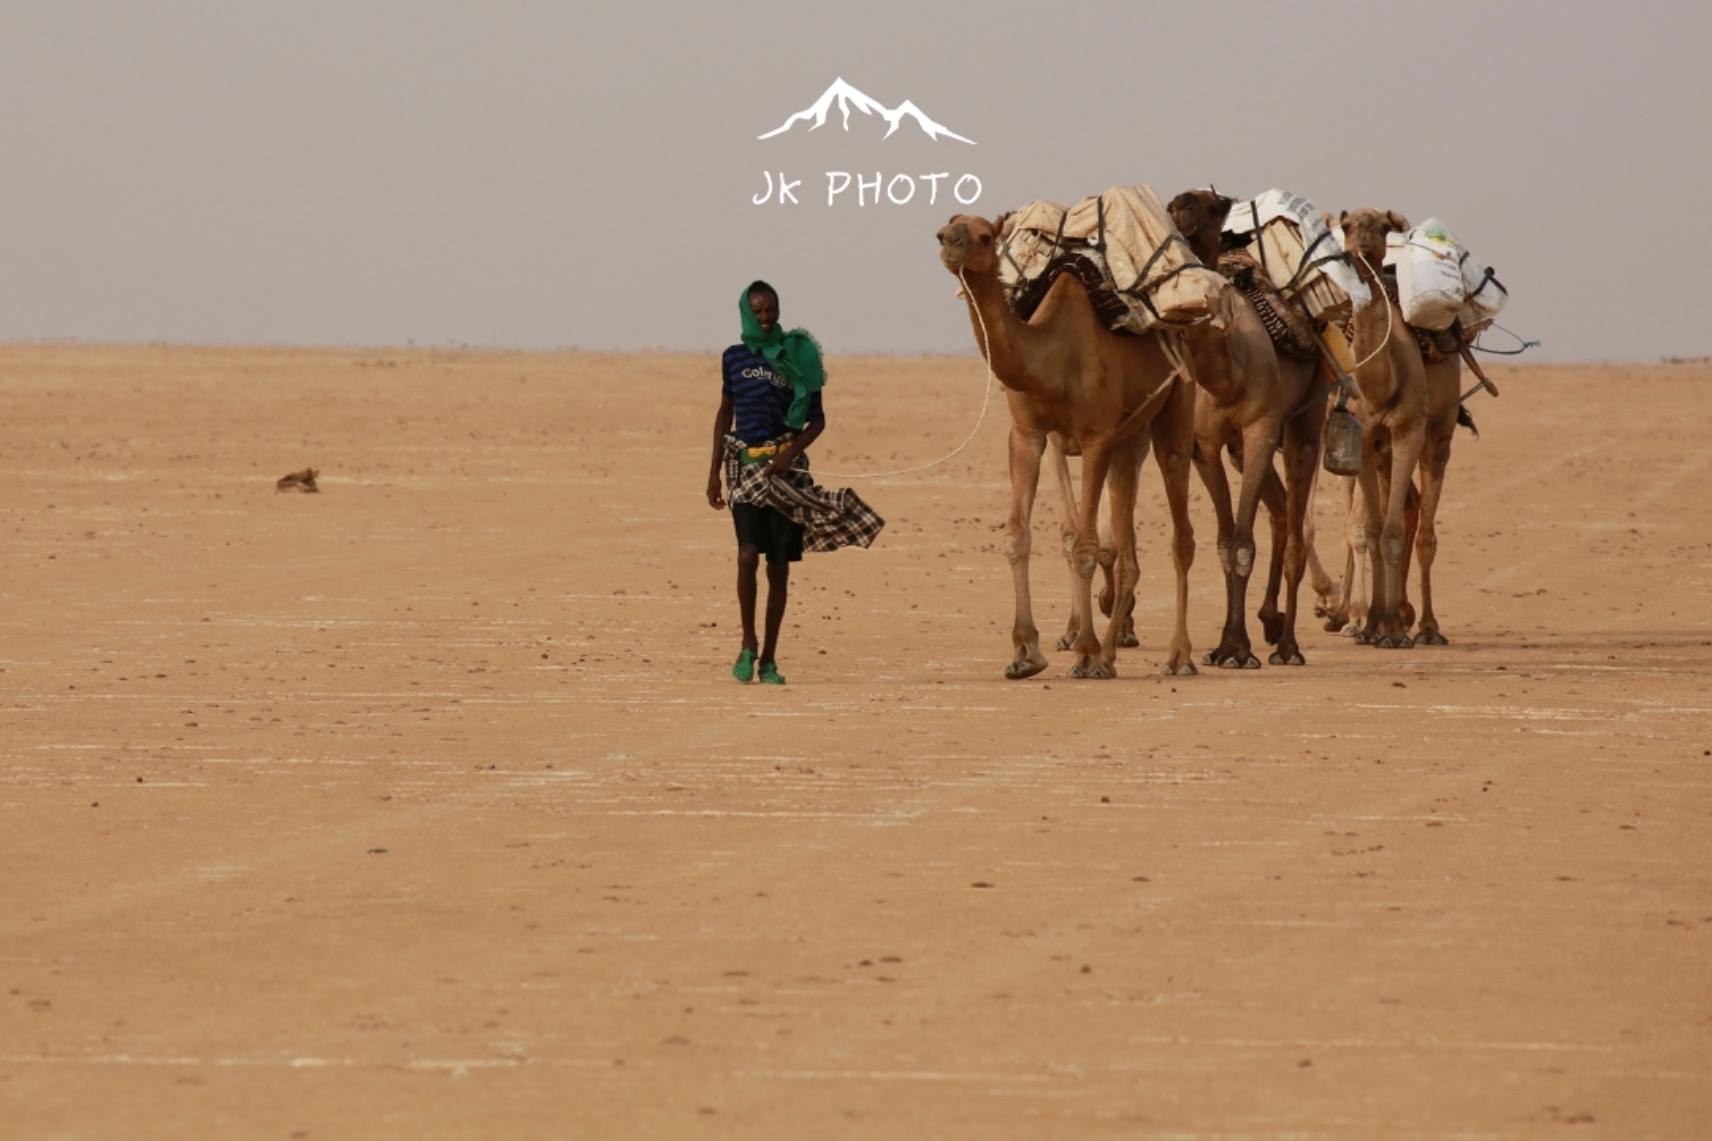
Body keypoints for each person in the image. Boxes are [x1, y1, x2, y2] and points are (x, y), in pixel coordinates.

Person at [707, 280, 883, 685]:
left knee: (779, 568)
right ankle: (747, 642)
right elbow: (723, 414)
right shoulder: (733, 358)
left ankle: (769, 658)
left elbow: (817, 419)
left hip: (788, 473)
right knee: (747, 556)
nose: (766, 319)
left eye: (770, 311)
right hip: (746, 471)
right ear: (747, 314)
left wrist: (789, 454)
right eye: (758, 312)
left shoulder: (798, 356)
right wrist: (713, 471)